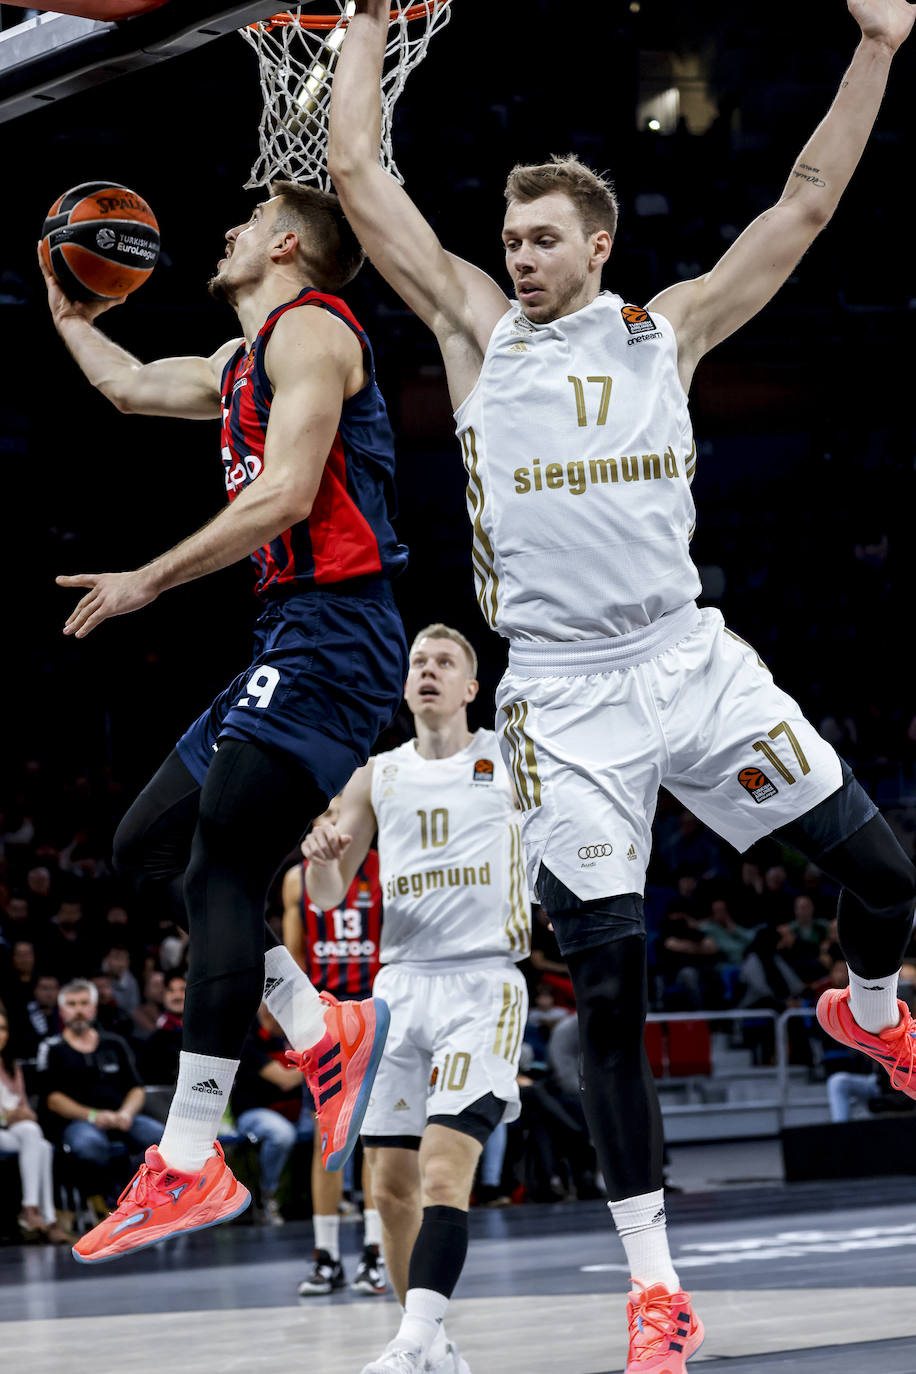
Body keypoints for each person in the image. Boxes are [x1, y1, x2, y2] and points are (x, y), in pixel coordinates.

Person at [327, 4, 916, 1368]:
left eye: (542, 238)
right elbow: (360, 173)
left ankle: (872, 1011)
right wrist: (359, 27)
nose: (518, 256)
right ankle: (654, 1287)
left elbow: (807, 201)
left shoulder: (670, 332)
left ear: (597, 245)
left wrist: (879, 49)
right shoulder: (479, 332)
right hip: (564, 698)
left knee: (885, 874)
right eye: (510, 237)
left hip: (691, 662)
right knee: (607, 986)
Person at [38, 179, 406, 1264]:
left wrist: (148, 579)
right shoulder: (244, 359)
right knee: (146, 850)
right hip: (288, 637)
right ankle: (321, 1027)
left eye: (247, 221)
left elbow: (287, 493)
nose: (227, 231)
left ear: (287, 244)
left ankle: (191, 1156)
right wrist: (68, 316)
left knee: (220, 870)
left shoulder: (315, 333)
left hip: (336, 632)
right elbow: (131, 387)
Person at [304, 623, 530, 1374]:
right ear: (405, 686)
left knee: (441, 1171)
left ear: (471, 688)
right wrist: (321, 858)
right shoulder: (376, 775)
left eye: (445, 662)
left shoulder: (511, 756)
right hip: (399, 987)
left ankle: (405, 1345)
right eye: (418, 662)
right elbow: (326, 895)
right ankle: (433, 1346)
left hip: (484, 981)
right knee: (390, 1188)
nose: (428, 670)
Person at [282, 818, 387, 1296]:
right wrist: (300, 1022)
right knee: (326, 1140)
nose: (333, 822)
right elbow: (293, 957)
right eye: (325, 814)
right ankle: (325, 1257)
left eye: (342, 812)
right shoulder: (297, 878)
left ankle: (374, 1252)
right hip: (325, 1019)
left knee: (374, 1138)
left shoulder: (385, 868)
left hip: (373, 1013)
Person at [36, 980, 162, 1200]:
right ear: (62, 1011)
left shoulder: (114, 1043)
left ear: (93, 1008)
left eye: (84, 1003)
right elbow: (53, 1099)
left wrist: (126, 1113)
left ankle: (138, 1195)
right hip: (79, 1121)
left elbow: (136, 1089)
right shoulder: (52, 1047)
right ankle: (106, 1198)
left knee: (162, 1138)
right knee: (90, 1145)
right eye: (72, 1004)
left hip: (122, 1117)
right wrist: (93, 1115)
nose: (78, 1010)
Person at [230, 1003, 311, 1226]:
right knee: (281, 1134)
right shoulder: (247, 1037)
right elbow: (285, 1080)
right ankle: (267, 1196)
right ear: (266, 1010)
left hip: (295, 1111)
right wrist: (320, 1061)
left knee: (331, 1129)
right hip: (254, 1113)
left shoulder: (293, 1032)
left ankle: (339, 1196)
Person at [0, 1003, 71, 1243]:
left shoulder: (11, 1066)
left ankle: (38, 1214)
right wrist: (6, 1118)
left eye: (3, 1028)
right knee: (37, 1140)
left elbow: (25, 1108)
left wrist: (25, 1115)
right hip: (5, 1128)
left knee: (40, 1142)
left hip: (14, 1131)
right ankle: (42, 1216)